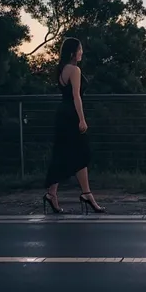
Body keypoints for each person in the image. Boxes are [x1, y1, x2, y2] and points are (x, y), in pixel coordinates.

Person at [43, 37, 105, 215]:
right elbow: (76, 96)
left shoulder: (61, 68)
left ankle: (52, 194)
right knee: (82, 153)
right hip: (71, 115)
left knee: (62, 154)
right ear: (72, 52)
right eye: (79, 49)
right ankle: (86, 194)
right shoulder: (75, 69)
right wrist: (82, 119)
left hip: (62, 114)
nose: (82, 53)